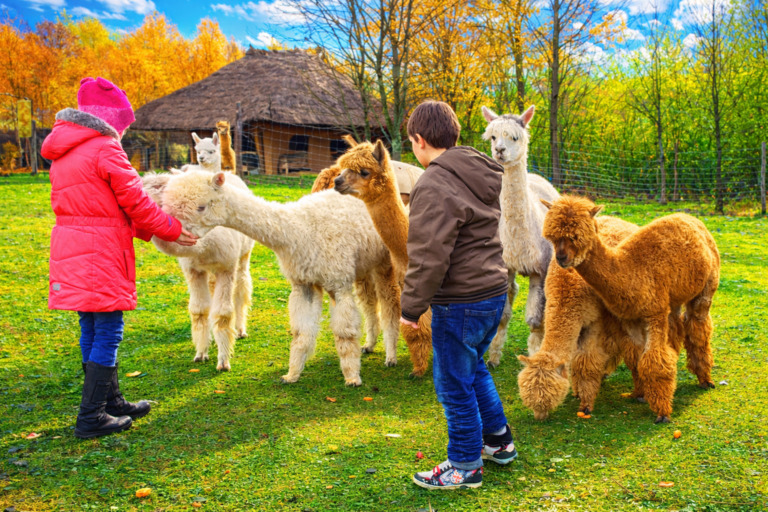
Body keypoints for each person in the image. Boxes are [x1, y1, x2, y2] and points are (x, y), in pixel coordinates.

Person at [41, 77, 198, 439]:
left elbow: (100, 202)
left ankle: (110, 401)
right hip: (99, 250)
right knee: (109, 328)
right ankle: (91, 416)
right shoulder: (104, 148)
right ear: (109, 120)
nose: (123, 134)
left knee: (91, 324)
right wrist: (171, 228)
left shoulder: (64, 150)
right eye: (122, 126)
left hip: (72, 244)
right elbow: (136, 202)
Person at [400, 100, 516, 489]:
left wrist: (411, 308)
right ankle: (499, 442)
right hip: (492, 291)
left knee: (453, 382)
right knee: (474, 366)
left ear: (419, 140)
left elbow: (428, 255)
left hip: (460, 300)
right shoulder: (478, 170)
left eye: (411, 141)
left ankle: (464, 464)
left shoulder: (433, 183)